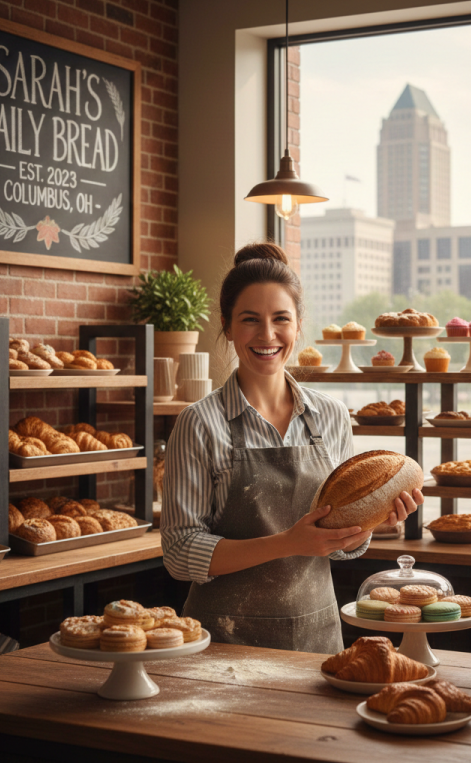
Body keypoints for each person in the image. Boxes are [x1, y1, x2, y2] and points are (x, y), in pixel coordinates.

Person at [161, 242, 422, 652]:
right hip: (225, 643)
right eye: (250, 320)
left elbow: (337, 547)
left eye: (280, 319)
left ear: (298, 325)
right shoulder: (199, 423)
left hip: (317, 637)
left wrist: (370, 522)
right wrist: (289, 543)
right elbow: (179, 553)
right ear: (227, 327)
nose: (267, 335)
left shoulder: (331, 415)